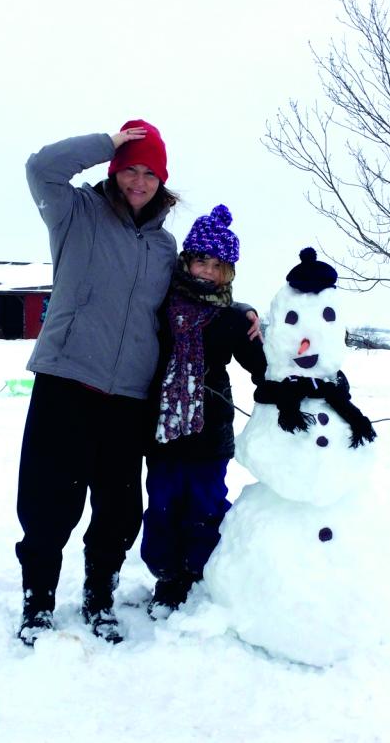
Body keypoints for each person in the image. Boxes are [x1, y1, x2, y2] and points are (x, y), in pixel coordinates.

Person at [16, 119, 180, 646]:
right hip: (68, 379)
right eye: (129, 168)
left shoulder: (164, 247)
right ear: (113, 170)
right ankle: (38, 603)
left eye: (149, 172)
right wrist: (109, 141)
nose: (138, 180)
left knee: (119, 508)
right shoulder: (76, 213)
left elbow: (186, 304)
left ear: (162, 180)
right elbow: (41, 167)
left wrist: (240, 312)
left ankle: (98, 599)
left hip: (129, 397)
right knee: (48, 504)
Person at [141, 204, 268, 617]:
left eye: (218, 265)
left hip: (210, 435)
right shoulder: (159, 306)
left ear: (228, 271)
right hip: (161, 433)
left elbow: (264, 369)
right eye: (201, 260)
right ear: (186, 260)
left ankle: (200, 575)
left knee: (205, 508)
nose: (208, 271)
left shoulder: (232, 318)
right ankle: (166, 575)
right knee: (161, 507)